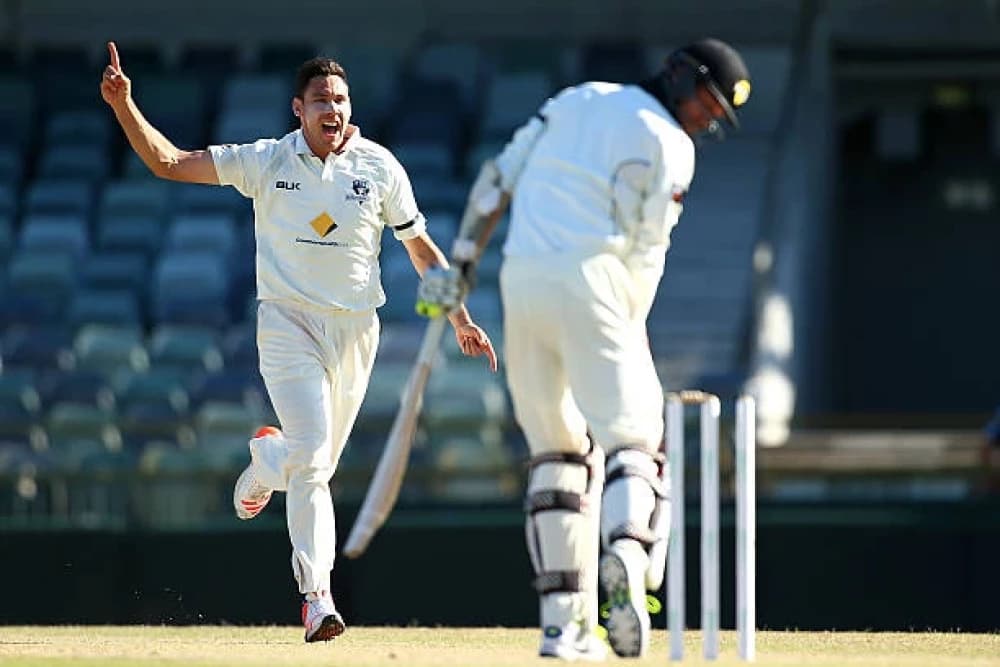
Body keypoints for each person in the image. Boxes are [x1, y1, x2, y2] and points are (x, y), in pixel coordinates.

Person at [100, 42, 497, 643]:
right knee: (313, 457)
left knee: (314, 462)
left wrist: (460, 318)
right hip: (287, 323)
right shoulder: (266, 160)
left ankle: (266, 461)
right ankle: (317, 598)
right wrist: (126, 106)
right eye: (320, 100)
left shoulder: (380, 167)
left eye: (339, 99)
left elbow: (421, 249)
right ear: (298, 109)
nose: (331, 108)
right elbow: (170, 162)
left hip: (357, 330)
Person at [416, 38, 752, 660]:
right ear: (679, 76)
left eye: (715, 113)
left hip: (521, 279)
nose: (706, 119)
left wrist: (461, 263)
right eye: (706, 102)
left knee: (558, 453)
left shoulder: (575, 101)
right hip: (596, 278)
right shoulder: (672, 146)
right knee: (639, 439)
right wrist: (627, 323)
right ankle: (625, 553)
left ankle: (560, 629)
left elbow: (496, 180)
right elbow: (649, 253)